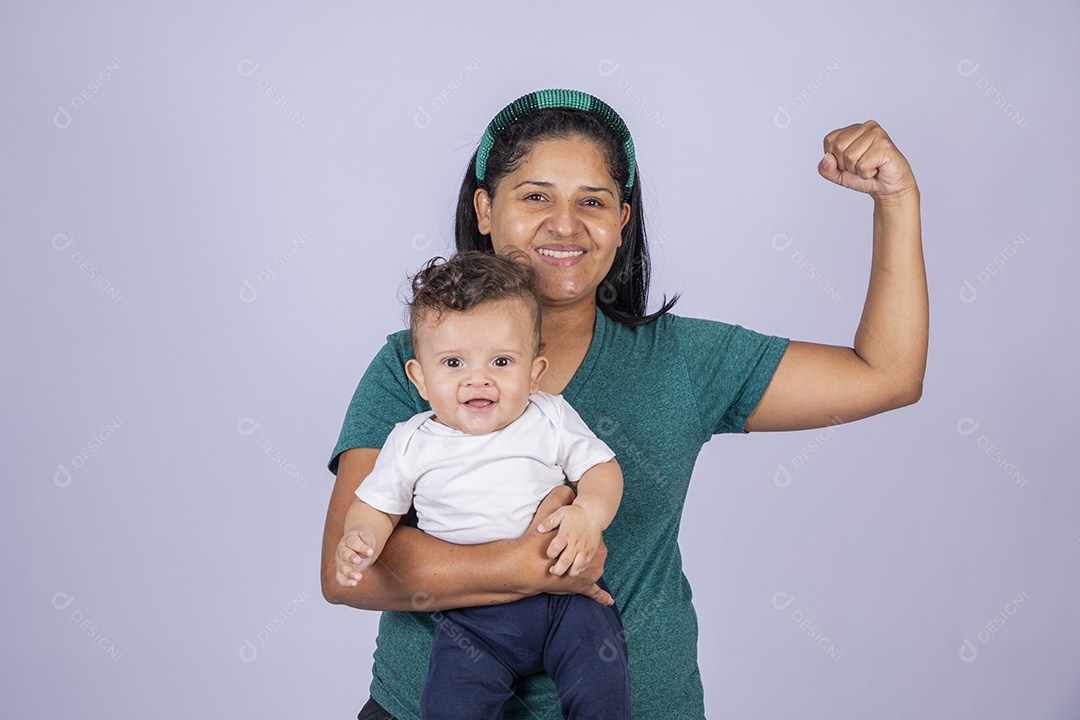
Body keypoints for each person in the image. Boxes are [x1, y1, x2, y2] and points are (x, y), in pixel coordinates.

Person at [322, 89, 927, 720]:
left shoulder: (685, 360)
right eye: (535, 196)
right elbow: (350, 570)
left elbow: (887, 375)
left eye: (593, 201)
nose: (565, 223)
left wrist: (897, 202)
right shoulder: (410, 366)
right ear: (484, 209)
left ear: (622, 221)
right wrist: (529, 566)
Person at [334, 251, 630, 720]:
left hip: (566, 601)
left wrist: (588, 513)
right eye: (453, 362)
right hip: (472, 620)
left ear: (534, 374)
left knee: (601, 682)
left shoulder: (549, 416)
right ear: (420, 378)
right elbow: (376, 506)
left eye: (501, 361)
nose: (478, 379)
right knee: (450, 704)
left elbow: (601, 470)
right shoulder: (410, 442)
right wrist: (361, 537)